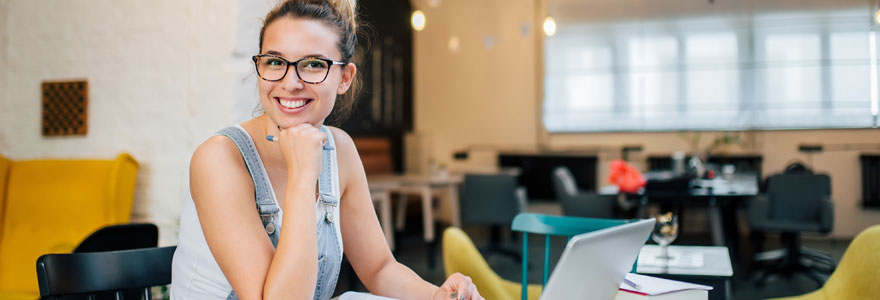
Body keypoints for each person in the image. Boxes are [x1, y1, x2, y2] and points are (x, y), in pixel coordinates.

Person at [170, 0, 485, 299]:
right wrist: (303, 177)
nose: (290, 82)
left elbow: (378, 268)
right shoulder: (219, 159)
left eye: (312, 64)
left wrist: (436, 295)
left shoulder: (340, 150)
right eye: (275, 62)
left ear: (345, 77)